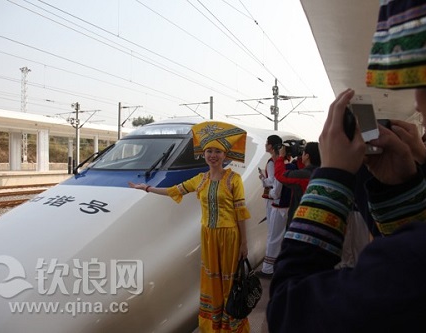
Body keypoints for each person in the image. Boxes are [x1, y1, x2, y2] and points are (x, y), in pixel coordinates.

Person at [268, 1, 426, 332]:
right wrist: (401, 190)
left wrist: (330, 179)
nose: (416, 103)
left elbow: (290, 307)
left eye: (420, 82)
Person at [129, 120, 251, 333]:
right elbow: (173, 190)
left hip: (229, 235)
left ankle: (231, 325)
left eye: (218, 152)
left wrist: (244, 242)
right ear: (204, 154)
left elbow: (241, 212)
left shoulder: (234, 179)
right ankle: (213, 323)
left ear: (225, 156)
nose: (213, 155)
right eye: (209, 151)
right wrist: (147, 188)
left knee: (230, 280)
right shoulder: (200, 179)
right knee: (211, 278)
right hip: (208, 235)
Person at [256, 143, 296, 279]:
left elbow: (276, 191)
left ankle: (268, 269)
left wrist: (268, 188)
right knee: (282, 236)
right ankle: (280, 264)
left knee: (273, 237)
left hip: (278, 208)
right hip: (288, 207)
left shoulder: (282, 167)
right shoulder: (293, 166)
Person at [273, 141, 321, 227]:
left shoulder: (303, 175)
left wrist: (281, 157)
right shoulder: (320, 174)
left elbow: (280, 175)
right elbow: (304, 169)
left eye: (303, 152)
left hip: (300, 222)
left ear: (307, 156)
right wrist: (299, 157)